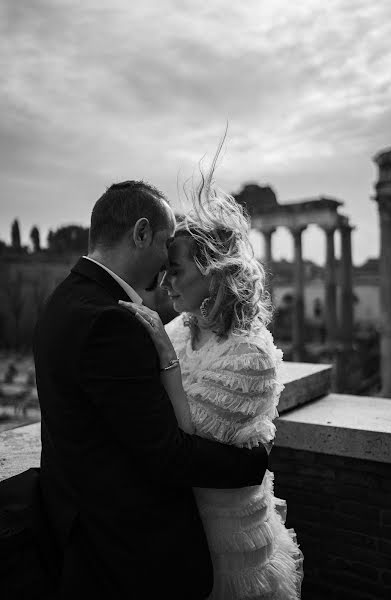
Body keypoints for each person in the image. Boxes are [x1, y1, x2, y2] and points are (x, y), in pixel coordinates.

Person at [33, 180, 269, 600]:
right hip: (128, 554)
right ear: (141, 234)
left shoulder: (64, 300)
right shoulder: (112, 322)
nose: (164, 272)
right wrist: (249, 464)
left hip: (88, 537)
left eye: (175, 268)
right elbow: (168, 454)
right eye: (165, 247)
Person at [120, 173, 303, 599]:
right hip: (177, 528)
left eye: (176, 271)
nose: (164, 284)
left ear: (214, 272)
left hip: (224, 542)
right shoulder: (181, 329)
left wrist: (162, 355)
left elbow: (180, 438)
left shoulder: (249, 356)